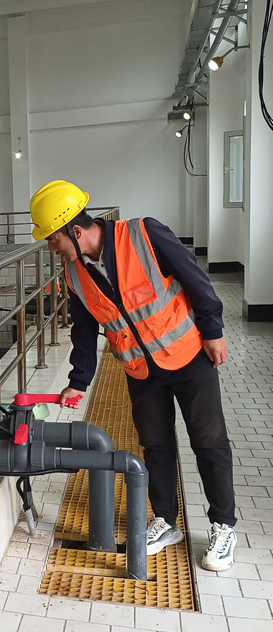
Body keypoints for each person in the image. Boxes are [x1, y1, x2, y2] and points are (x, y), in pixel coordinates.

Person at [30, 179, 236, 571]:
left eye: (53, 239)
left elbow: (194, 278)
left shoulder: (144, 234)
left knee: (209, 442)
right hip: (140, 370)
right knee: (155, 445)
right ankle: (166, 521)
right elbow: (84, 330)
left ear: (75, 230)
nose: (52, 248)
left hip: (188, 355)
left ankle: (223, 526)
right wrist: (78, 380)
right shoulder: (74, 274)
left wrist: (213, 330)